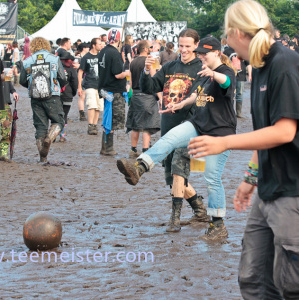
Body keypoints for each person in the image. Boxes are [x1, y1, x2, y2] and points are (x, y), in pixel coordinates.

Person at [187, 0, 299, 298]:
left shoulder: (284, 63)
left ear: (237, 32)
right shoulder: (259, 67)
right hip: (268, 186)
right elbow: (266, 132)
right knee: (253, 278)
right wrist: (250, 178)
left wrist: (224, 142)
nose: (227, 44)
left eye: (226, 37)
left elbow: (285, 131)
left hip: (292, 189)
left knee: (290, 283)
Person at [118, 33, 236, 239]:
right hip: (197, 124)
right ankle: (139, 167)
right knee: (169, 138)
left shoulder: (224, 71)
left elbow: (226, 82)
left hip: (219, 133)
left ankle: (218, 225)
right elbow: (194, 96)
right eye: (200, 54)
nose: (200, 57)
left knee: (212, 179)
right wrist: (178, 104)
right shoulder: (198, 71)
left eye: (204, 54)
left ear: (217, 53)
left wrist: (213, 74)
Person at [20, 37, 67, 162]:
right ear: (47, 45)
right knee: (59, 122)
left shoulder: (27, 61)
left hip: (35, 97)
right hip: (53, 95)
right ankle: (49, 139)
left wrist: (32, 86)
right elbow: (62, 78)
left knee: (40, 127)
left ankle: (43, 158)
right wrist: (57, 86)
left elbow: (22, 81)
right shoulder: (54, 59)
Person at [125, 40, 160, 158]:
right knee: (147, 125)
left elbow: (130, 80)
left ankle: (133, 150)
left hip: (135, 95)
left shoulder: (133, 62)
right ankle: (145, 150)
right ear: (145, 49)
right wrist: (160, 97)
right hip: (147, 95)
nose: (151, 48)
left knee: (135, 125)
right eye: (150, 47)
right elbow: (153, 78)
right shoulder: (151, 60)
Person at [98, 29, 130, 156]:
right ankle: (108, 148)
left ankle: (106, 147)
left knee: (108, 116)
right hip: (114, 90)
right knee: (111, 119)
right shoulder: (114, 53)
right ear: (118, 39)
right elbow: (117, 74)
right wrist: (127, 73)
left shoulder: (103, 51)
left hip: (104, 88)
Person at [78, 38, 103, 135]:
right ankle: (90, 125)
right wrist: (79, 86)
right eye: (99, 44)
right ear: (94, 45)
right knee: (91, 105)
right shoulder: (86, 57)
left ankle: (95, 125)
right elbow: (80, 72)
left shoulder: (102, 56)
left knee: (98, 106)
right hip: (89, 84)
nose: (101, 46)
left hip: (100, 86)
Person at [223, 46, 252, 117]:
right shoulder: (227, 51)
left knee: (239, 94)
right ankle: (229, 112)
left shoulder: (243, 50)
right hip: (229, 76)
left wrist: (250, 75)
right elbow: (222, 63)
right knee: (229, 93)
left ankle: (238, 113)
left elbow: (248, 64)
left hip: (241, 76)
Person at [59, 51, 78, 142]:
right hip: (68, 95)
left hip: (55, 95)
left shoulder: (55, 68)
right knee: (64, 115)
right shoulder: (71, 69)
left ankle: (53, 134)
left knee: (55, 115)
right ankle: (62, 135)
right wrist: (73, 93)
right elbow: (75, 83)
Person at [0, 78, 19, 161]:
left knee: (6, 130)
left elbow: (7, 80)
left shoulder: (4, 66)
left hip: (4, 104)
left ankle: (3, 153)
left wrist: (13, 91)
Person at [75, 43, 89, 121]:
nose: (88, 49)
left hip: (88, 78)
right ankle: (82, 113)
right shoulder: (77, 57)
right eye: (87, 47)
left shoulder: (87, 57)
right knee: (82, 96)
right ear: (84, 48)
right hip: (81, 78)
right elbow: (75, 66)